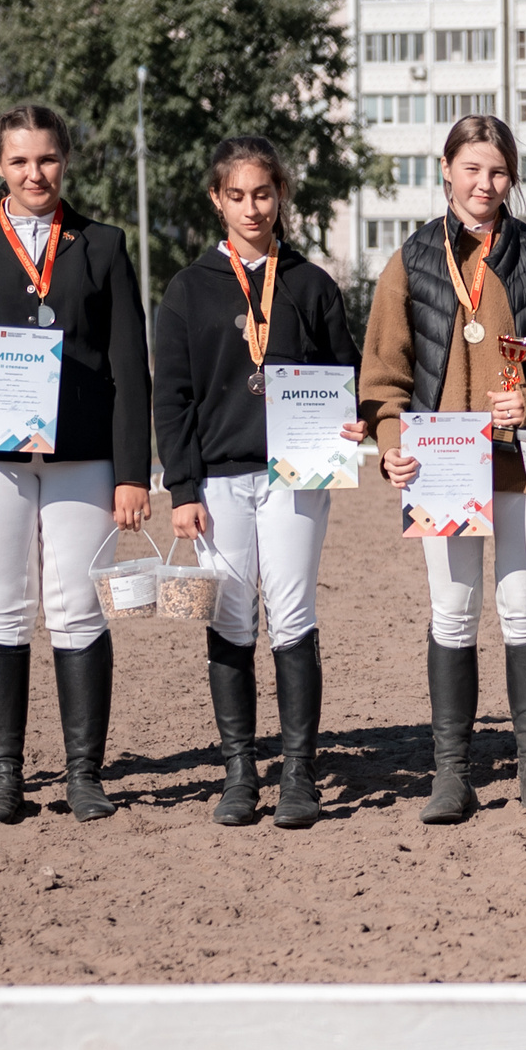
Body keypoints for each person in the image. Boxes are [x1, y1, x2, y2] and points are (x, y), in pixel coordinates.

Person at [361, 114, 526, 827]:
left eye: (498, 171)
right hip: (442, 469)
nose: (485, 183)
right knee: (452, 611)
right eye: (472, 168)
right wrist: (389, 440)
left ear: (513, 178)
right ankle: (452, 773)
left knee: (524, 605)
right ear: (445, 169)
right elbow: (384, 374)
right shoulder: (409, 260)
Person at [0, 105, 153, 825]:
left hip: (81, 454)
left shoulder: (104, 245)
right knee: (1, 606)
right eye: (19, 161)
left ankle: (85, 774)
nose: (34, 174)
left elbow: (128, 367)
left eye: (46, 159)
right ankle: (5, 776)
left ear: (65, 160)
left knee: (77, 607)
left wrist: (133, 471)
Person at [155, 137, 362, 829]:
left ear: (281, 197)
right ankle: (241, 772)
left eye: (264, 194)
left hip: (295, 476)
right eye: (237, 195)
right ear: (217, 199)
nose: (252, 208)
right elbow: (173, 399)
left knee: (294, 614)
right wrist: (182, 489)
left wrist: (352, 423)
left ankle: (299, 773)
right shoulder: (187, 290)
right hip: (218, 479)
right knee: (230, 618)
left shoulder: (310, 283)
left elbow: (344, 374)